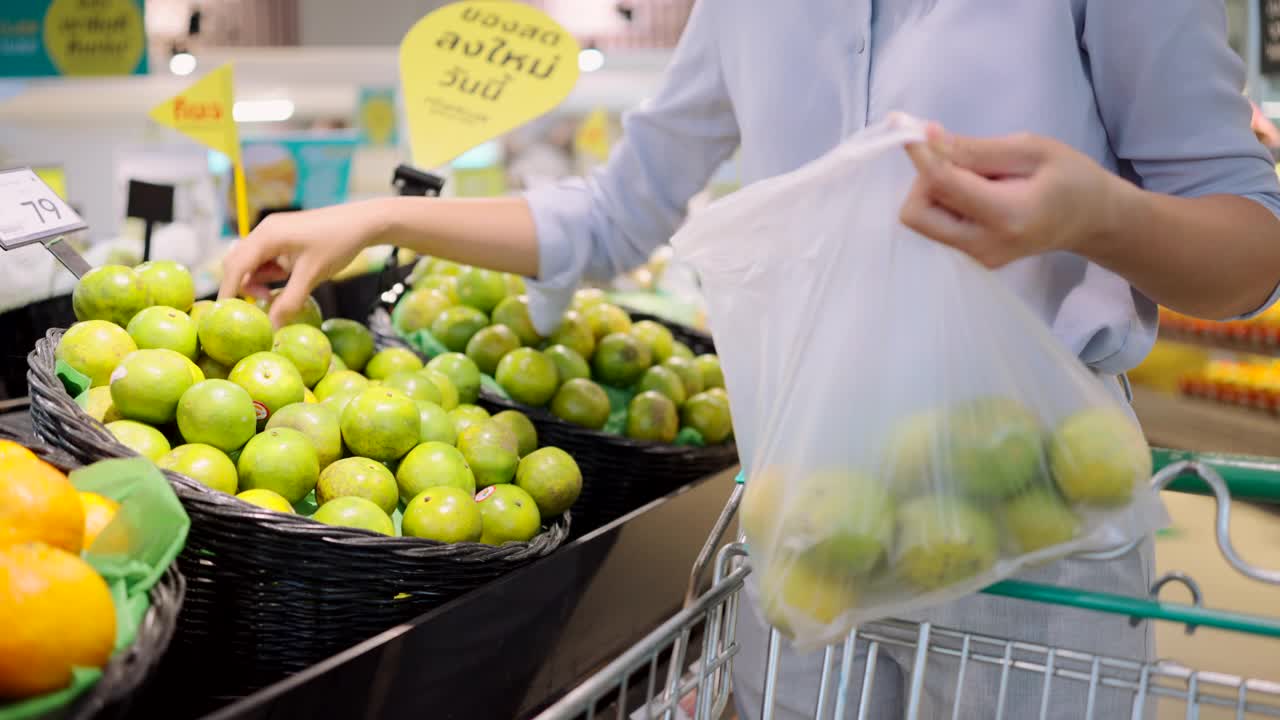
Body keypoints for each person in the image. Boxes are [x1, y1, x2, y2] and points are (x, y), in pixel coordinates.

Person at [221, 1, 1280, 717]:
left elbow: (1244, 253)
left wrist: (1090, 214)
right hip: (812, 516)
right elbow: (612, 213)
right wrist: (367, 220)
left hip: (1037, 532)